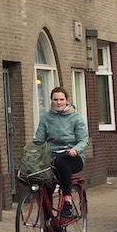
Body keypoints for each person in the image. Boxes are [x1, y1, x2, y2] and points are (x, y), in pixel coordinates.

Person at [32, 87, 89, 218]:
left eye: (61, 99)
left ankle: (67, 201)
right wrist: (32, 150)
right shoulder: (46, 118)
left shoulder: (76, 117)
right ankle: (47, 219)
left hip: (73, 157)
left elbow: (84, 140)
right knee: (44, 180)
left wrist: (75, 149)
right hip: (52, 156)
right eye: (55, 99)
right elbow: (39, 140)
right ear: (51, 101)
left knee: (60, 162)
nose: (58, 102)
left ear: (66, 100)